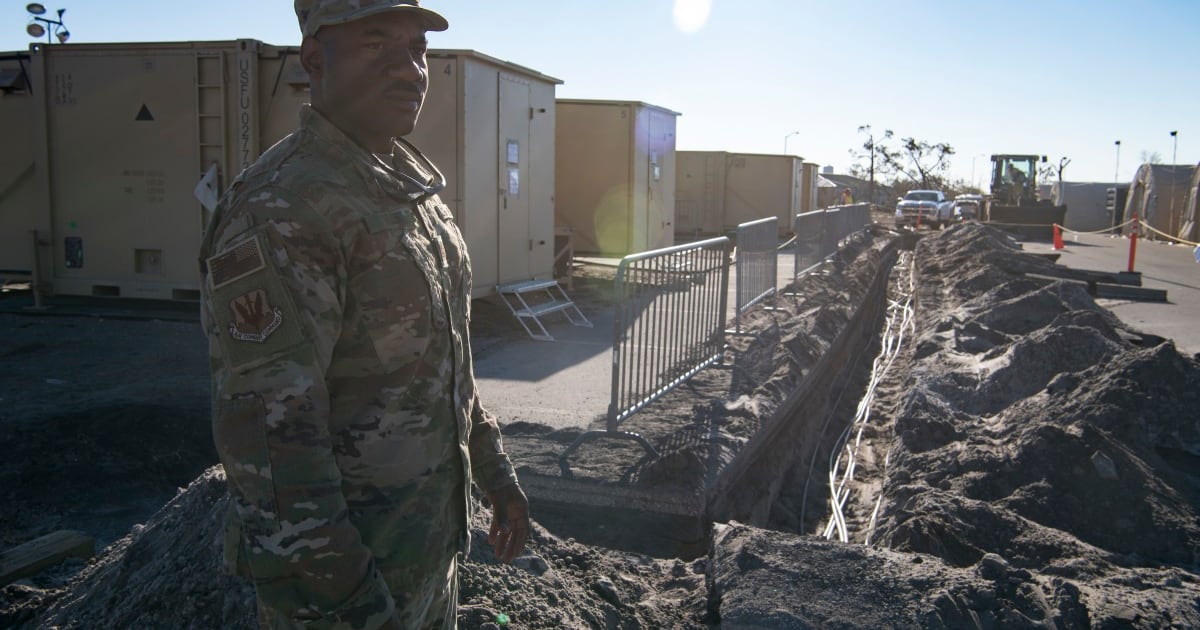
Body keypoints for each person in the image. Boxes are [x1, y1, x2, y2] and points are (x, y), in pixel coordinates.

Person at [197, 1, 529, 627]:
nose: (410, 70)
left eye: (418, 49)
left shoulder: (408, 190)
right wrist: (349, 605)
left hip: (424, 557)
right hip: (344, 590)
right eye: (377, 46)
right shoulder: (283, 208)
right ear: (314, 58)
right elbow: (271, 445)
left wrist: (496, 474)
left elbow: (444, 364)